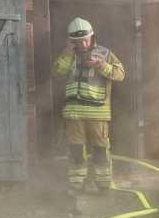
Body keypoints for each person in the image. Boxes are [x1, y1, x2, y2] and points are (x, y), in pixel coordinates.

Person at [52, 17, 125, 192]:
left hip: (98, 114)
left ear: (92, 36)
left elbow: (120, 74)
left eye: (85, 40)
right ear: (71, 41)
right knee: (75, 151)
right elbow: (57, 72)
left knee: (100, 151)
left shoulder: (105, 53)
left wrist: (101, 65)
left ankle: (104, 186)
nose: (82, 44)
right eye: (77, 41)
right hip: (73, 114)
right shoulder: (68, 55)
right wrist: (68, 54)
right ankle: (77, 186)